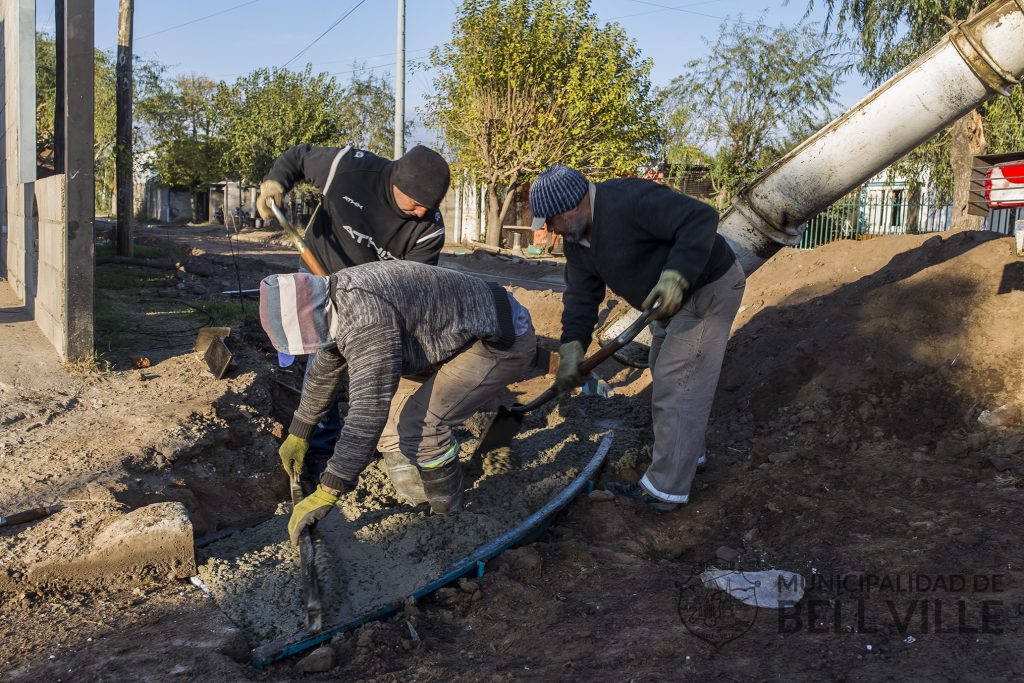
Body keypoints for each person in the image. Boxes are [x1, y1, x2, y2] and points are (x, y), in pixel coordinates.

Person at [258, 260, 536, 544]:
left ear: (314, 318)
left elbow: (366, 414)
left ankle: (449, 521)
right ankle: (422, 499)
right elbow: (327, 366)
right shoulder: (334, 299)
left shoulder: (367, 322)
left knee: (423, 425)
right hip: (449, 336)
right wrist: (300, 431)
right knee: (393, 422)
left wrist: (329, 490)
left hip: (500, 339)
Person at [529, 164, 745, 512]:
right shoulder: (577, 242)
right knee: (664, 370)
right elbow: (582, 298)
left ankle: (665, 490)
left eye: (551, 222)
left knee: (680, 384)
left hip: (707, 288)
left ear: (573, 207)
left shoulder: (629, 200)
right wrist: (572, 347)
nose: (550, 231)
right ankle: (689, 453)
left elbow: (701, 218)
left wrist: (677, 274)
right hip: (668, 306)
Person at [255, 144, 452, 486]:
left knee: (372, 361)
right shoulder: (350, 169)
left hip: (374, 297)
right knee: (322, 359)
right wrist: (276, 182)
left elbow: (412, 288)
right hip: (321, 275)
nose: (422, 213)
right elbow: (298, 157)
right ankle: (318, 449)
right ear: (396, 183)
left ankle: (380, 436)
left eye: (429, 207)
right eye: (416, 204)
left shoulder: (428, 230)